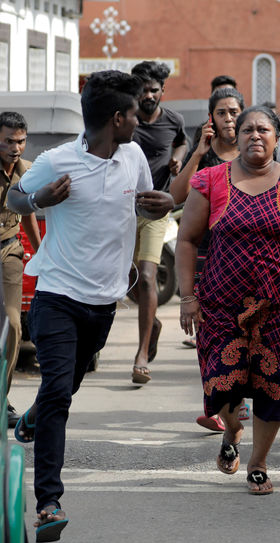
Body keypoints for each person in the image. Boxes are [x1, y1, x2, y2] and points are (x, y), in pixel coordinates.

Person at [6, 70, 174, 543]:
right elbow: (17, 198)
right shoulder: (59, 160)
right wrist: (39, 198)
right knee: (60, 393)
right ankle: (48, 504)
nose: (141, 121)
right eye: (135, 113)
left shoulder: (134, 155)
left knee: (64, 390)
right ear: (117, 117)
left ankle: (36, 413)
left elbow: (139, 206)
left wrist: (157, 206)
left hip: (104, 304)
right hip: (57, 295)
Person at [175, 106, 280, 495]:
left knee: (273, 387)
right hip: (220, 305)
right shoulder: (209, 180)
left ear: (278, 137)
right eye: (247, 130)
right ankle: (232, 428)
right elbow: (188, 240)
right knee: (223, 385)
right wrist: (187, 297)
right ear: (235, 136)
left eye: (263, 129)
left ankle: (258, 462)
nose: (255, 136)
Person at [169, 87, 245, 432]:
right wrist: (198, 152)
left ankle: (235, 403)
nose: (229, 119)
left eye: (233, 112)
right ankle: (216, 405)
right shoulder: (205, 157)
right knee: (210, 335)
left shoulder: (253, 154)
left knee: (244, 335)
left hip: (245, 260)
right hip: (206, 257)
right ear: (210, 119)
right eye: (222, 113)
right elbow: (175, 196)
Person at [130, 60, 188, 384]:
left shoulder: (173, 120)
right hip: (124, 208)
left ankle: (141, 354)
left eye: (154, 90)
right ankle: (151, 321)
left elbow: (182, 140)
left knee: (149, 276)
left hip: (156, 209)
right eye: (143, 90)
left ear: (163, 91)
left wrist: (178, 156)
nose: (149, 95)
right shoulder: (125, 120)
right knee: (125, 280)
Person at [0, 111, 41, 428]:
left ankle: (1, 398)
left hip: (10, 251)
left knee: (13, 324)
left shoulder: (28, 173)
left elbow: (27, 215)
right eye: (8, 141)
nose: (15, 147)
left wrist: (42, 254)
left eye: (21, 141)